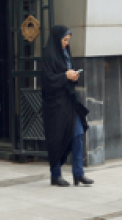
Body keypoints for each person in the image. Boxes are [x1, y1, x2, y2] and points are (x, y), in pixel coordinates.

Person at [41, 26, 92, 187]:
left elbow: (67, 74)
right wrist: (65, 76)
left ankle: (78, 173)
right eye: (64, 40)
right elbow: (47, 80)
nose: (66, 43)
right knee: (57, 138)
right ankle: (55, 175)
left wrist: (73, 76)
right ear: (57, 39)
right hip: (54, 104)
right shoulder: (48, 55)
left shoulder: (66, 53)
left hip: (68, 100)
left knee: (78, 133)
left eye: (68, 40)